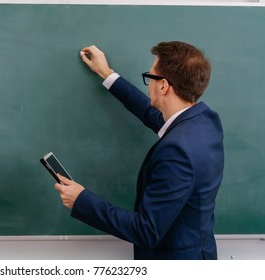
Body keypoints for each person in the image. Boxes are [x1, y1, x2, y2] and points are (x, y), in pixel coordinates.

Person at [54, 41, 224, 260]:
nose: (148, 84)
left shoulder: (177, 152)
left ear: (163, 86)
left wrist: (81, 200)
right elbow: (154, 115)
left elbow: (147, 230)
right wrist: (107, 74)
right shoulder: (205, 121)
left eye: (150, 76)